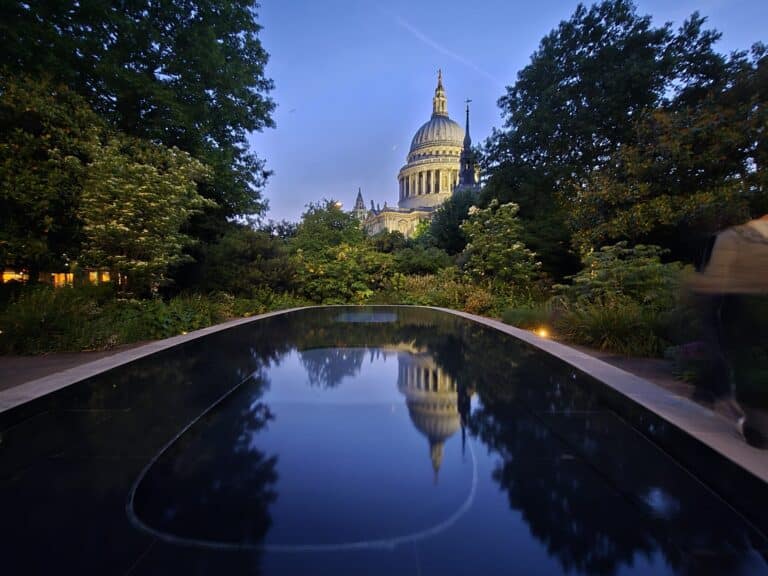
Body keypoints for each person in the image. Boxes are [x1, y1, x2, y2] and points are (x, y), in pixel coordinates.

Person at [689, 215, 768, 448]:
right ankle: (709, 388)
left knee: (720, 340)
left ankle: (714, 390)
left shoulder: (732, 237)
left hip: (738, 304)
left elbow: (716, 281)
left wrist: (695, 287)